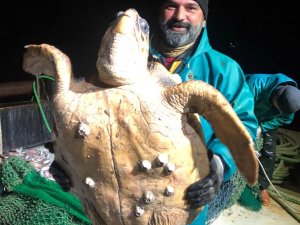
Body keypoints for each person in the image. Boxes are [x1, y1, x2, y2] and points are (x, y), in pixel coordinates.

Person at [147, 0, 258, 224]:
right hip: (127, 188)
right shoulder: (129, 58)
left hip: (186, 197)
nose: (180, 16)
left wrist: (219, 163)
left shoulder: (224, 70)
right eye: (171, 6)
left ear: (204, 19)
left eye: (191, 8)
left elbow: (243, 123)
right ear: (159, 12)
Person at [245, 73, 300, 206]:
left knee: (269, 151)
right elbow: (240, 107)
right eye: (278, 107)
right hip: (246, 113)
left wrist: (262, 127)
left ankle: (263, 188)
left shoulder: (291, 102)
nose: (280, 111)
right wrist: (249, 130)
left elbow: (285, 118)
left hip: (266, 120)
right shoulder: (256, 84)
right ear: (276, 95)